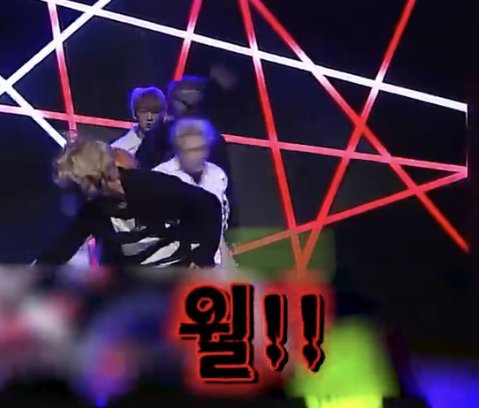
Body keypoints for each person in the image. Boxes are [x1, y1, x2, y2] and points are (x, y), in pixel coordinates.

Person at [34, 139, 222, 268]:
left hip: (179, 270)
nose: (75, 195)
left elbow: (209, 205)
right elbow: (61, 249)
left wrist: (202, 258)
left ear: (94, 178)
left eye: (77, 187)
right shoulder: (93, 210)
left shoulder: (150, 186)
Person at [153, 118, 234, 267]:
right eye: (193, 150)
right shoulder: (160, 177)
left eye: (202, 148)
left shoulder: (217, 175)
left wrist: (227, 261)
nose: (200, 155)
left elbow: (219, 227)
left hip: (214, 263)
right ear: (178, 151)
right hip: (177, 264)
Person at [111, 87, 166, 155]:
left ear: (162, 114)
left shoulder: (171, 148)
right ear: (135, 113)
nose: (149, 118)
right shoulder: (118, 149)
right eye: (144, 112)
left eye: (154, 112)